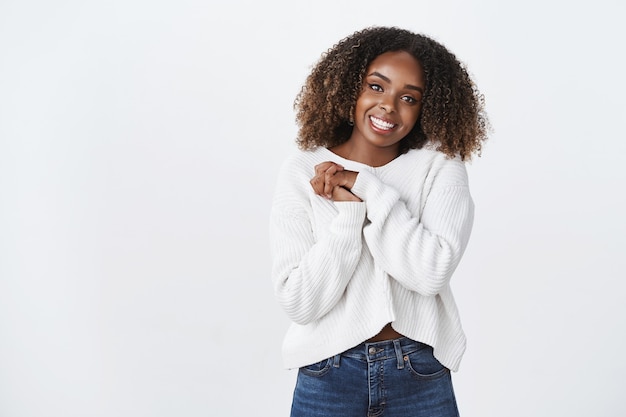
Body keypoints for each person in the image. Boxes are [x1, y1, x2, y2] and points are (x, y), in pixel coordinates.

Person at [269, 26, 489, 417]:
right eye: (376, 86)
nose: (389, 106)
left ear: (427, 108)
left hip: (418, 372)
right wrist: (349, 215)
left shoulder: (440, 167)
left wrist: (368, 187)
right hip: (326, 372)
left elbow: (430, 272)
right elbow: (300, 302)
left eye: (408, 97)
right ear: (349, 87)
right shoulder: (301, 171)